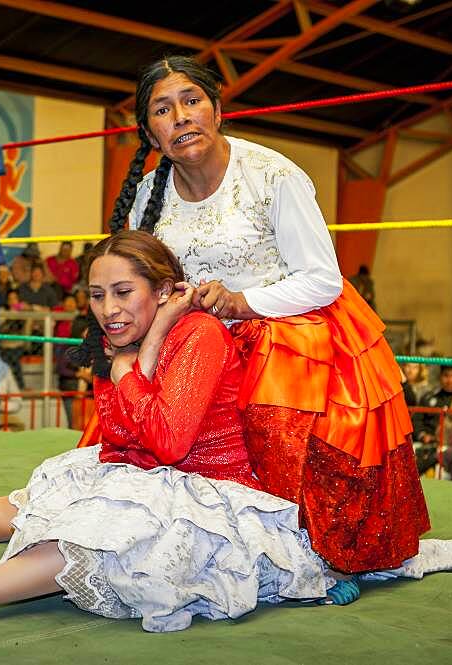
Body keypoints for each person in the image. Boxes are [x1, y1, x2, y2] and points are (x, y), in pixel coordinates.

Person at [0, 231, 452, 634]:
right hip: (162, 478)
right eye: (95, 294)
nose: (109, 309)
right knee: (35, 502)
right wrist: (132, 364)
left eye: (123, 292)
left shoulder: (196, 333)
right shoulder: (136, 341)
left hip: (223, 504)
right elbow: (121, 438)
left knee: (91, 531)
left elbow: (168, 439)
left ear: (163, 290)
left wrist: (133, 366)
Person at [102, 56, 429, 576]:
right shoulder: (149, 195)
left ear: (217, 110)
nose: (181, 117)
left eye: (192, 101)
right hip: (196, 340)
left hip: (286, 334)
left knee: (272, 408)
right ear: (149, 131)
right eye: (164, 110)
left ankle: (293, 552)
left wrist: (240, 303)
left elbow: (322, 279)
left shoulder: (272, 175)